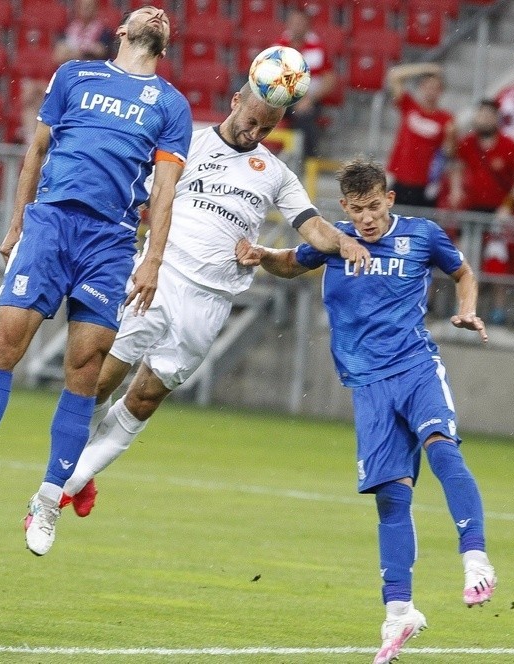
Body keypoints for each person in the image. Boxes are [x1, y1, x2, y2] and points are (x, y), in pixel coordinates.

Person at [0, 6, 193, 557]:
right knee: (5, 338)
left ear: (164, 42)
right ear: (120, 31)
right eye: (142, 9)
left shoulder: (172, 105)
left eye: (162, 13)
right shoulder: (75, 74)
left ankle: (49, 498)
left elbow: (166, 190)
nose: (156, 11)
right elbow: (38, 150)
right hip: (51, 223)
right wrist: (16, 222)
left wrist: (154, 260)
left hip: (111, 241)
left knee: (84, 368)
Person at [58, 83, 371, 515]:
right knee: (97, 382)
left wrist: (345, 241)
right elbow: (141, 194)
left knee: (146, 398)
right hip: (160, 275)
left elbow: (313, 228)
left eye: (268, 127)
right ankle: (66, 479)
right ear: (235, 102)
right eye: (252, 121)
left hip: (211, 298)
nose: (255, 133)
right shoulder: (188, 142)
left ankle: (65, 486)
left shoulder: (276, 174)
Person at [237, 157, 495, 664]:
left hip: (416, 368)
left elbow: (462, 271)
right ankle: (399, 615)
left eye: (374, 207)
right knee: (390, 499)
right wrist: (261, 253)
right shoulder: (335, 243)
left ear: (390, 199)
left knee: (442, 450)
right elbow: (291, 261)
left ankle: (476, 559)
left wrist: (465, 308)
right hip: (369, 388)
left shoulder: (422, 235)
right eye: (356, 210)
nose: (367, 219)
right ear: (344, 208)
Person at [448, 99, 514, 325]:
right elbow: (457, 168)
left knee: (496, 259)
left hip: (497, 211)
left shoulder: (509, 146)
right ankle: (463, 306)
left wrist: (508, 205)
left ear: (496, 118)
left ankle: (498, 308)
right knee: (464, 261)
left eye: (488, 115)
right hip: (471, 209)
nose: (483, 119)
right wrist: (455, 189)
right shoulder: (467, 144)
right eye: (480, 115)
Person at [20, 0, 117, 143]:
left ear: (96, 10)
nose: (86, 10)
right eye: (83, 7)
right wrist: (86, 52)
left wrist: (74, 52)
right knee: (30, 91)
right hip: (66, 80)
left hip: (91, 83)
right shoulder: (69, 29)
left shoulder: (105, 33)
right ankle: (31, 141)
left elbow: (103, 53)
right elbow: (58, 56)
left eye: (89, 7)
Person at [386, 62, 456, 207]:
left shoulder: (446, 119)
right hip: (399, 178)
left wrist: (451, 137)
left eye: (435, 88)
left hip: (425, 185)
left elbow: (448, 153)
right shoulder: (409, 106)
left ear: (441, 91)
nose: (431, 91)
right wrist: (426, 68)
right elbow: (394, 75)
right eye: (428, 86)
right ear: (421, 87)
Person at [276, 7, 337, 163]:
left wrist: (309, 99)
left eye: (300, 23)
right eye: (293, 22)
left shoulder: (318, 48)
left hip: (309, 99)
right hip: (282, 98)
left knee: (304, 116)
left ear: (308, 26)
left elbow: (330, 79)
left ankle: (309, 163)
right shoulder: (278, 46)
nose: (296, 26)